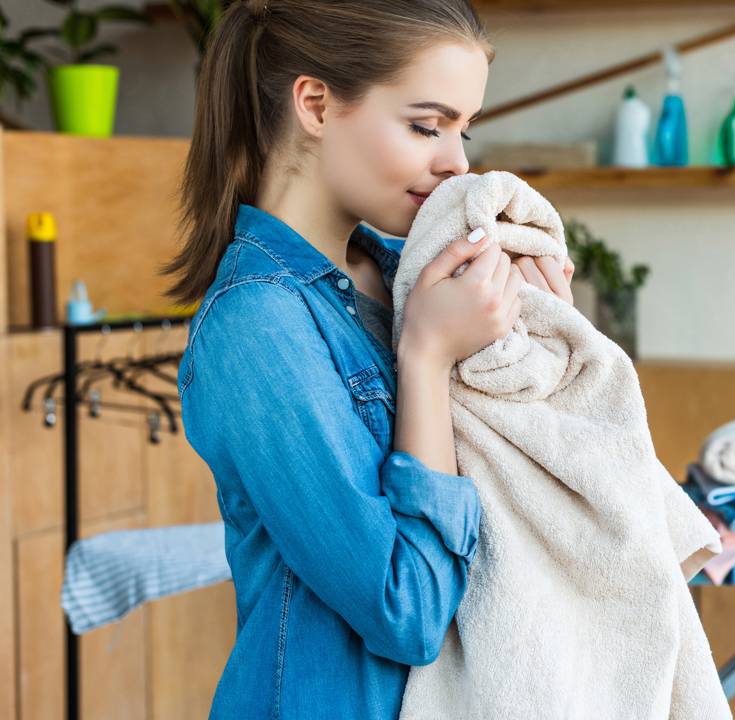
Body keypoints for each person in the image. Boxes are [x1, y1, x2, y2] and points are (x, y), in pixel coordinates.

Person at [160, 1, 573, 716]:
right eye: (426, 125)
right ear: (316, 104)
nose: (458, 162)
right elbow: (404, 611)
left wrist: (545, 333)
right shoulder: (256, 323)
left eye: (463, 129)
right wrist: (426, 355)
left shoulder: (412, 273)